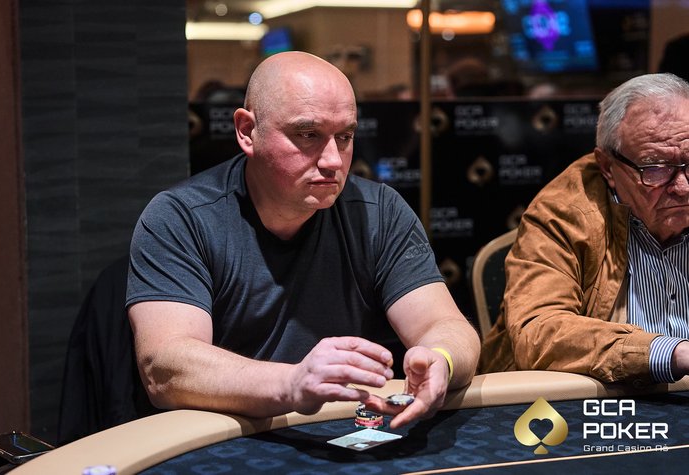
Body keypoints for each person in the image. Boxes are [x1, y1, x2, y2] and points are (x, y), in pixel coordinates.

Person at [127, 51, 480, 429]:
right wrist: (292, 382)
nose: (333, 160)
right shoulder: (181, 217)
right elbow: (165, 365)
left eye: (344, 137)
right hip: (221, 438)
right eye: (308, 135)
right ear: (247, 131)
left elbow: (446, 325)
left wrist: (440, 359)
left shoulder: (379, 212)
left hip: (342, 430)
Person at [479, 73, 689, 387]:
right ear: (608, 167)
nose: (682, 187)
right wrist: (670, 353)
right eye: (656, 168)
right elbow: (539, 332)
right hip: (591, 403)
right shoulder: (562, 214)